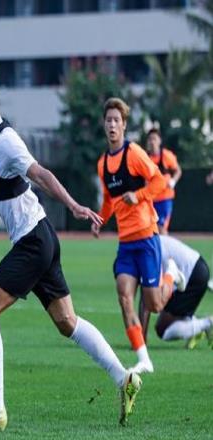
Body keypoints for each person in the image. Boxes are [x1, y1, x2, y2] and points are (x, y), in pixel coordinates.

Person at [0, 63, 141, 431]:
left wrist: (73, 206)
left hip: (33, 241)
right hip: (41, 238)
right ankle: (124, 378)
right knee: (67, 322)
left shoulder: (7, 141)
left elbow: (40, 174)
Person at [92, 98, 185, 375]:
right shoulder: (102, 164)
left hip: (146, 238)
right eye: (108, 120)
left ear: (124, 125)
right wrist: (100, 220)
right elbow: (108, 199)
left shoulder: (134, 153)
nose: (112, 125)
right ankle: (144, 359)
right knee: (124, 296)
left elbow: (159, 180)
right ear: (104, 125)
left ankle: (172, 274)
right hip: (125, 243)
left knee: (154, 304)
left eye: (116, 120)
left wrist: (139, 195)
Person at [138, 235, 212, 349]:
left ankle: (208, 323)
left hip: (193, 274)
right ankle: (197, 327)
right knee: (164, 324)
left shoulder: (147, 248)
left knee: (163, 329)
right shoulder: (148, 241)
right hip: (193, 270)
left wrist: (140, 342)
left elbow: (146, 298)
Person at [145, 128, 181, 234]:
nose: (152, 142)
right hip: (151, 200)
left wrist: (173, 181)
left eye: (154, 139)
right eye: (150, 139)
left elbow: (178, 170)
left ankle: (165, 244)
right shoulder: (145, 158)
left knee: (161, 228)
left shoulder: (166, 155)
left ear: (159, 141)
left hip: (165, 198)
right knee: (151, 230)